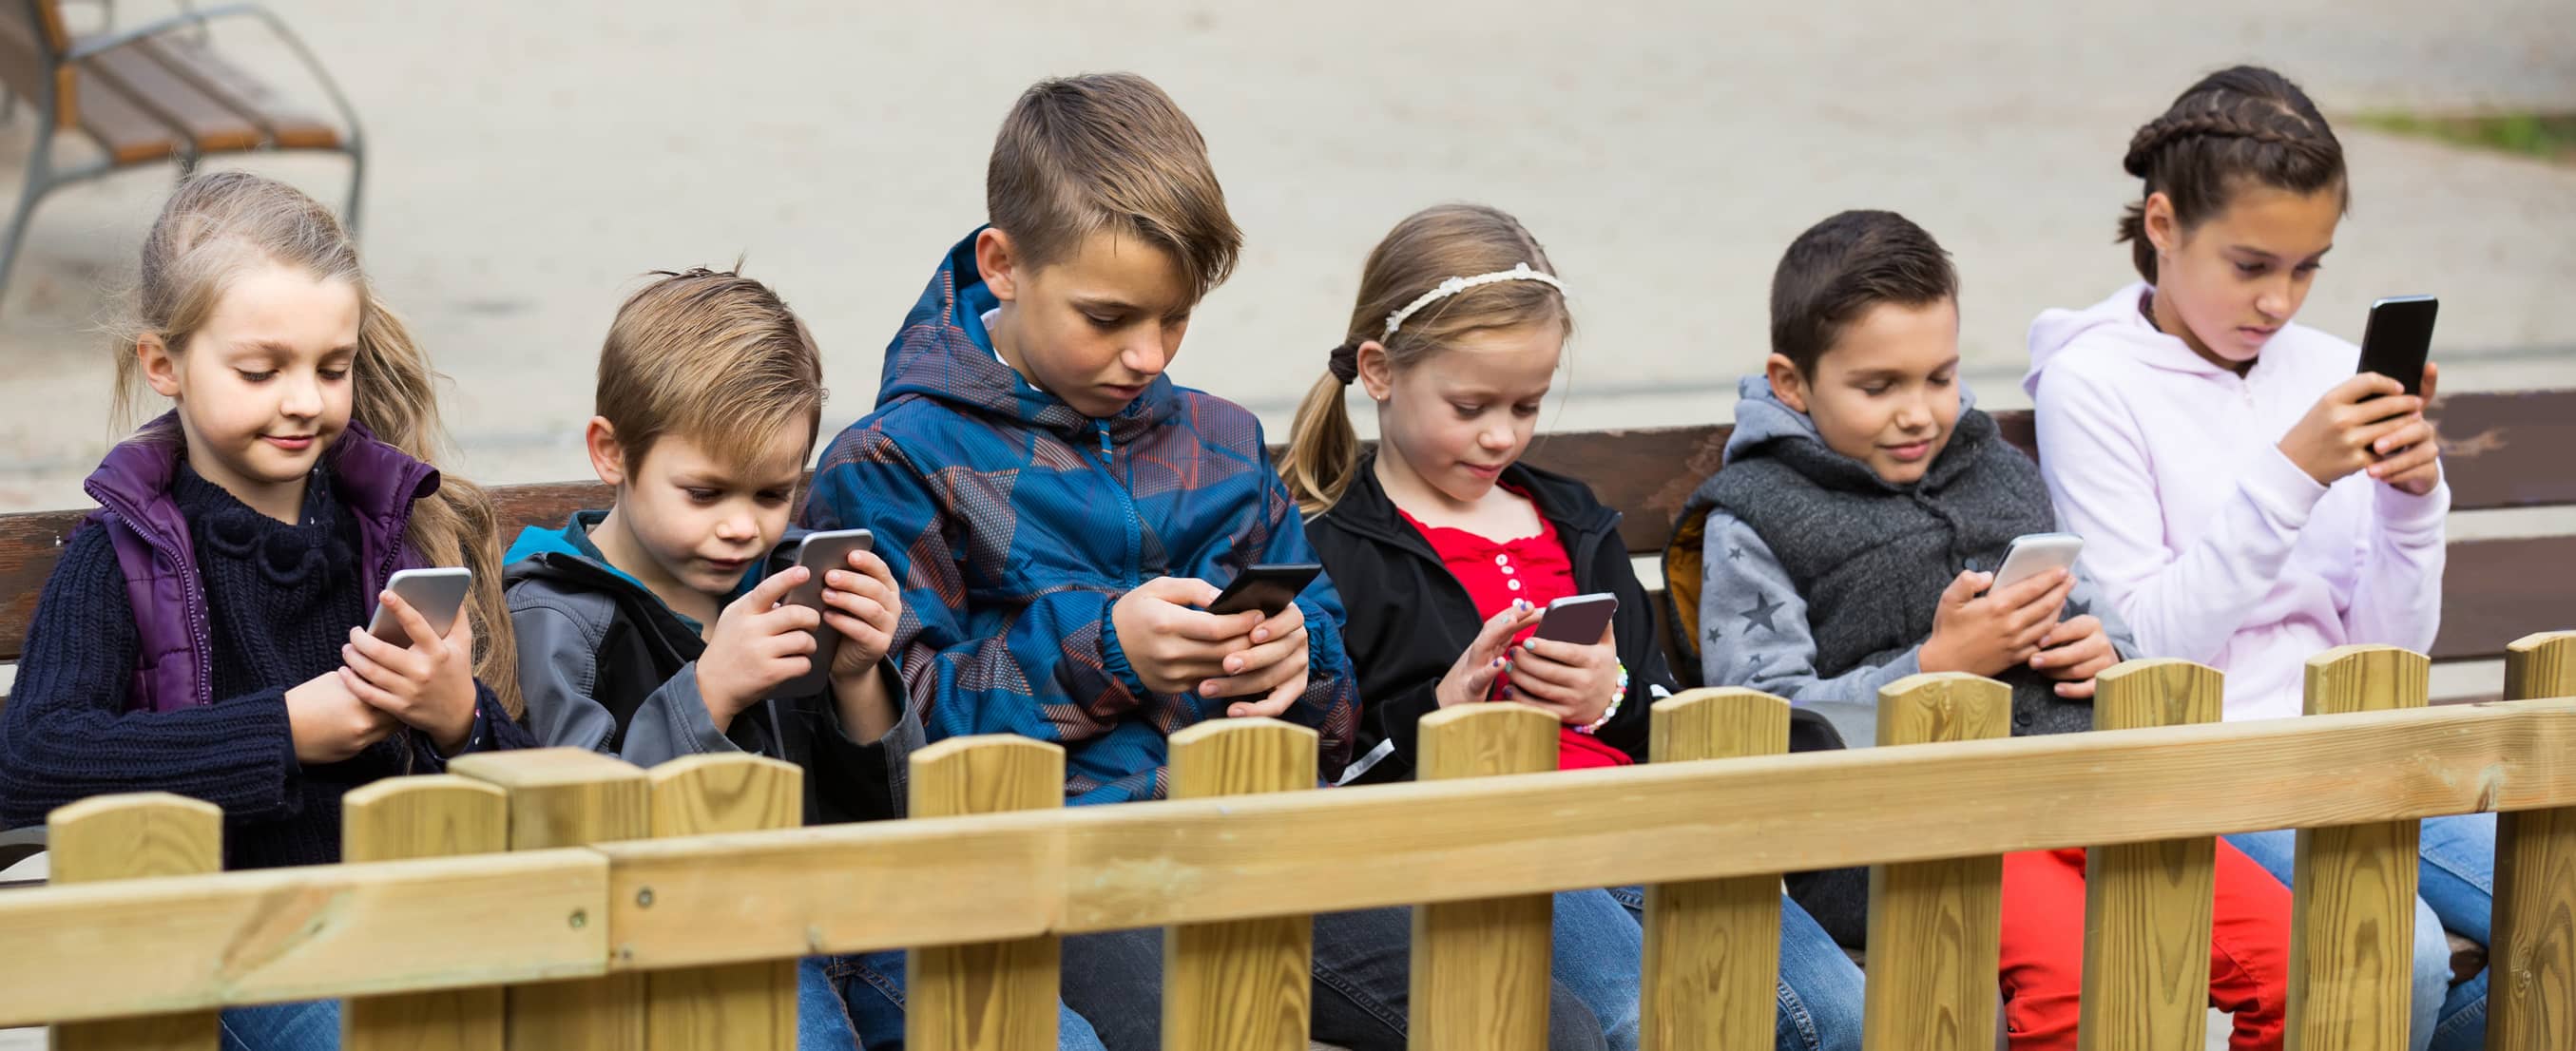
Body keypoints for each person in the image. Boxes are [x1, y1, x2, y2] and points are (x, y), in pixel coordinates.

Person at [800, 74, 1556, 1051]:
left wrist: (1297, 662)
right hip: (1044, 876)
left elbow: (1334, 711)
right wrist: (1105, 650)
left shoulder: (1220, 439)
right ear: (1002, 263)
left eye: (1174, 318)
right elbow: (884, 738)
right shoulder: (894, 460)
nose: (1147, 354)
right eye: (1108, 317)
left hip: (1258, 843)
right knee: (1208, 1025)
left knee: (1526, 1013)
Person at [1674, 209, 2289, 1050]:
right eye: (1878, 386)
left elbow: (2108, 621)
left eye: (1940, 377)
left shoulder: (1995, 469)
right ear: (1790, 382)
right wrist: (1937, 664)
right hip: (1904, 835)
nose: (1920, 413)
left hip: (2087, 797)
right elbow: (1762, 723)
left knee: (2297, 961)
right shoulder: (1752, 517)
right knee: (2074, 979)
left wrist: (2104, 655)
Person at [1285, 201, 1865, 1051]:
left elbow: (1669, 710)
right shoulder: (1334, 547)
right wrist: (1440, 716)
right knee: (1636, 1017)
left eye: (1527, 406)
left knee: (1838, 1013)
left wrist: (1612, 692)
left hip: (1642, 825)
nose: (1500, 435)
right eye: (1472, 404)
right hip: (1500, 852)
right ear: (1379, 370)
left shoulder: (1572, 520)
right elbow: (1321, 776)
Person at [0, 170, 537, 1050]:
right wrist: (282, 730)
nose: (303, 400)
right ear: (163, 364)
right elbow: (30, 759)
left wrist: (461, 720)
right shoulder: (122, 557)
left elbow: (527, 789)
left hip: (408, 932)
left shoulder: (395, 536)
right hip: (224, 951)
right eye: (262, 370)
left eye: (333, 368)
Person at [2023, 65, 2478, 1050]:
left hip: (2354, 747)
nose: (2279, 300)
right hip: (2209, 758)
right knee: (2398, 949)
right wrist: (2291, 476)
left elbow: (2390, 657)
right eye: (2249, 264)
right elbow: (2149, 647)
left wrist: (2410, 504)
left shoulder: (2323, 368)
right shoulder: (2091, 383)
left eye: (2308, 266)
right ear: (2160, 224)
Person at [503, 267, 914, 1050]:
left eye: (771, 494)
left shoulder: (790, 578)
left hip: (839, 919)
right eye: (704, 493)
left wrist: (860, 679)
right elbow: (582, 837)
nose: (742, 529)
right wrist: (707, 693)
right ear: (610, 452)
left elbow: (892, 823)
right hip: (679, 951)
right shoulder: (554, 613)